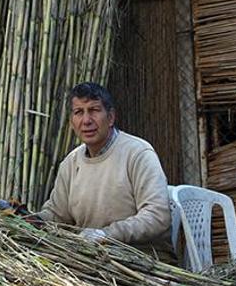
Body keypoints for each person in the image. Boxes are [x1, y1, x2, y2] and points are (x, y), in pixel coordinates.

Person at [38, 82, 170, 250]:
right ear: (71, 123)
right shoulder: (71, 162)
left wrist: (107, 235)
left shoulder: (138, 153)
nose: (86, 120)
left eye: (94, 110)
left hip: (142, 259)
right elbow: (57, 214)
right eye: (79, 112)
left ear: (111, 117)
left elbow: (158, 216)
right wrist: (33, 220)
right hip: (91, 260)